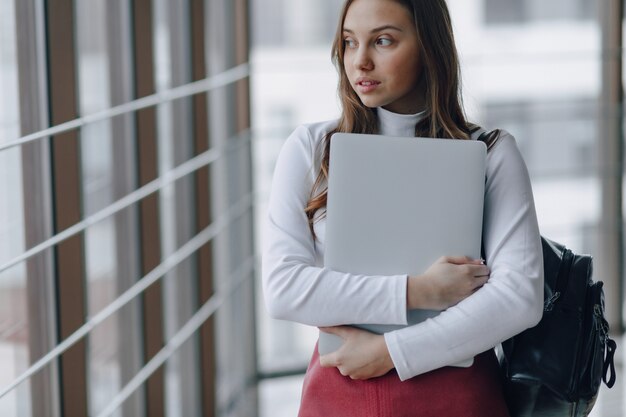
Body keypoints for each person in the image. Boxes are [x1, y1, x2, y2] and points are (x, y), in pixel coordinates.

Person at [262, 0, 544, 415]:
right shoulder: (310, 148)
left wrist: (393, 351)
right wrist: (420, 290)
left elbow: (519, 296)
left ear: (429, 46)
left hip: (458, 396)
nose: (360, 62)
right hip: (341, 391)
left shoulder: (490, 152)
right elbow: (283, 289)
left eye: (383, 41)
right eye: (348, 42)